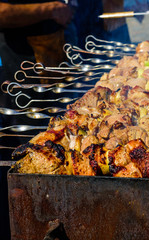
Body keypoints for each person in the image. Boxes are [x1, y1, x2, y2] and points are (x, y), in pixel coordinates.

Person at [0, 2, 73, 239]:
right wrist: (50, 9)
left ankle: (65, 217)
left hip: (52, 64)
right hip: (22, 76)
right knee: (29, 167)